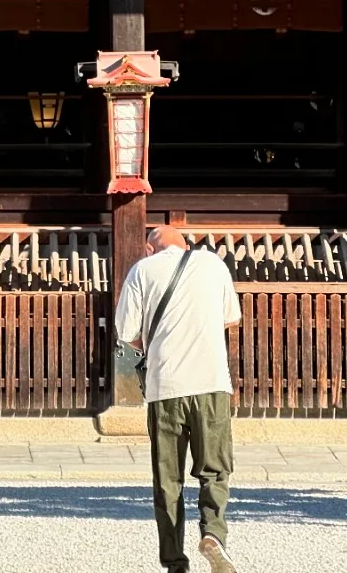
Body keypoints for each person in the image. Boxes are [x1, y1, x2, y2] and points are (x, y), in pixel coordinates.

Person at [115, 226, 242, 573]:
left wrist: (156, 344)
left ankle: (175, 563)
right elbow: (231, 318)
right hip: (212, 384)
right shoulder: (213, 264)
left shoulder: (142, 270)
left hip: (165, 387)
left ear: (148, 247)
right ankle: (213, 535)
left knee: (168, 480)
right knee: (215, 470)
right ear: (186, 244)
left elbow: (127, 334)